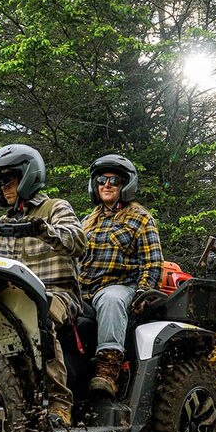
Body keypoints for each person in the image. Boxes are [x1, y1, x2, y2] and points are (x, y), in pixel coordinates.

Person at [0, 144, 86, 426]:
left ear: (28, 176)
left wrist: (43, 229)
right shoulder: (0, 224)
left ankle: (59, 404)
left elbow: (77, 241)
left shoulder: (55, 208)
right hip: (13, 297)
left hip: (57, 294)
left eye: (8, 179)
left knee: (37, 314)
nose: (3, 187)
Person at [79, 154, 163, 397]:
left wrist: (142, 293)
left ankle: (108, 369)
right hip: (84, 290)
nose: (106, 185)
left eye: (114, 180)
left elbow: (152, 263)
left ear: (126, 185)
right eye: (101, 180)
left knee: (111, 300)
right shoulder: (86, 221)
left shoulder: (140, 217)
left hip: (120, 286)